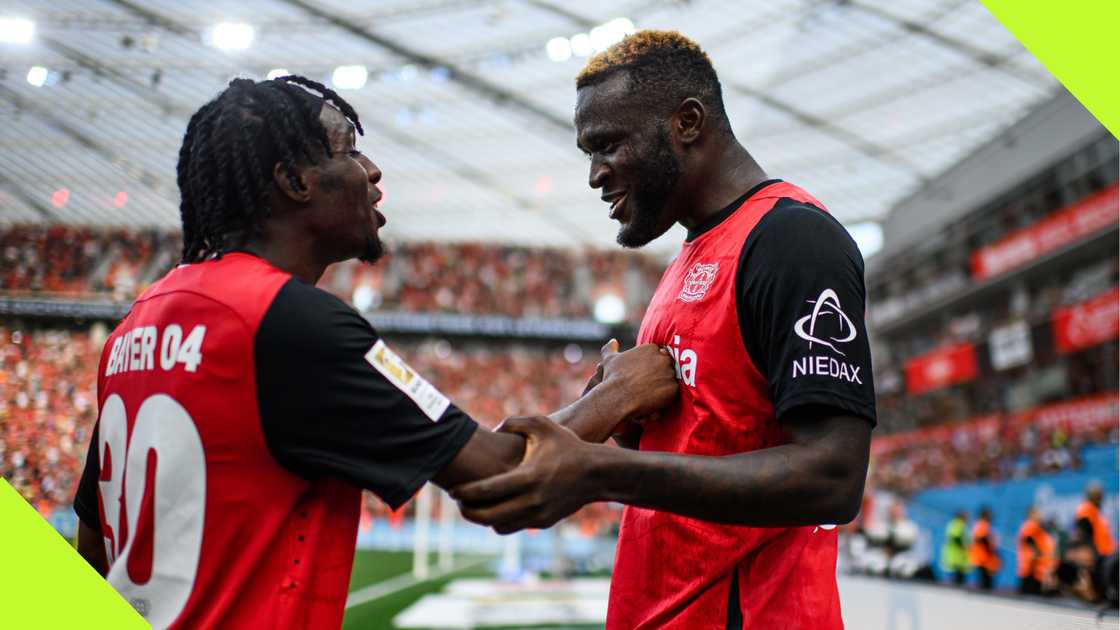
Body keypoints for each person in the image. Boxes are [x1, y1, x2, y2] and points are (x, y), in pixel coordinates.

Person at [71, 75, 679, 629]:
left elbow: (94, 549)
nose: (372, 170)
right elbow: (502, 478)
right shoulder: (288, 323)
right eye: (348, 151)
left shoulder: (135, 326)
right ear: (294, 179)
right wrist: (620, 392)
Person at [453, 31, 876, 629]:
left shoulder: (792, 240)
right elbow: (701, 443)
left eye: (607, 146)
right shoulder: (684, 262)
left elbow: (832, 476)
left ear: (686, 122)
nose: (596, 175)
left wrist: (602, 470)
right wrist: (624, 420)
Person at [1017, 507, 1057, 596]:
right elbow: (1028, 538)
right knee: (1030, 595)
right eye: (1037, 513)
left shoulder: (1036, 527)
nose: (1040, 516)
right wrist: (1036, 550)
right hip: (1031, 568)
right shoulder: (1030, 524)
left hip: (1035, 568)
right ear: (1031, 514)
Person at [1074, 482, 1116, 558]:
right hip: (1097, 555)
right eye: (1098, 496)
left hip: (1106, 553)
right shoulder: (1086, 509)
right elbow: (1083, 534)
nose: (1101, 499)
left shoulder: (1095, 511)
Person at [969, 507, 1000, 590]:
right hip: (983, 560)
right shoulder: (982, 525)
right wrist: (993, 553)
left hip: (984, 560)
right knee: (984, 586)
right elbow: (982, 539)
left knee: (985, 584)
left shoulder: (982, 525)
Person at [940, 510, 970, 585]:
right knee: (955, 582)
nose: (967, 518)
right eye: (966, 516)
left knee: (957, 581)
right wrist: (965, 545)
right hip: (955, 559)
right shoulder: (956, 524)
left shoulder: (960, 525)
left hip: (959, 560)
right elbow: (955, 537)